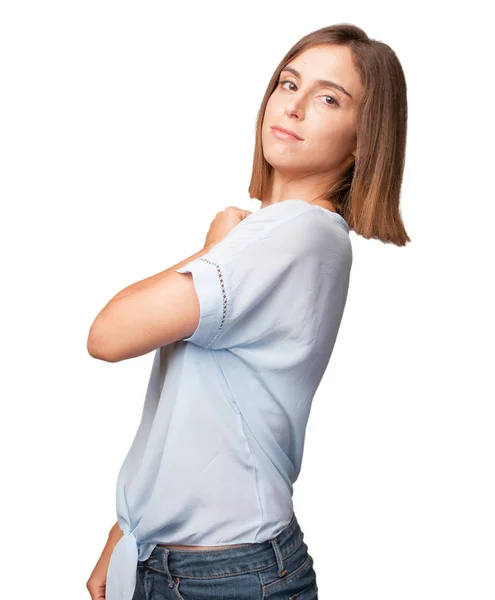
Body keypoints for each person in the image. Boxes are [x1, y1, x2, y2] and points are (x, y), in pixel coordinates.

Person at [86, 22, 410, 600]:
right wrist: (124, 532)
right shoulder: (274, 235)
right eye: (289, 84)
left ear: (364, 137)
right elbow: (196, 409)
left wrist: (212, 251)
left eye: (330, 98)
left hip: (224, 577)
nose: (295, 106)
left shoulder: (293, 235)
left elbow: (107, 335)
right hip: (180, 562)